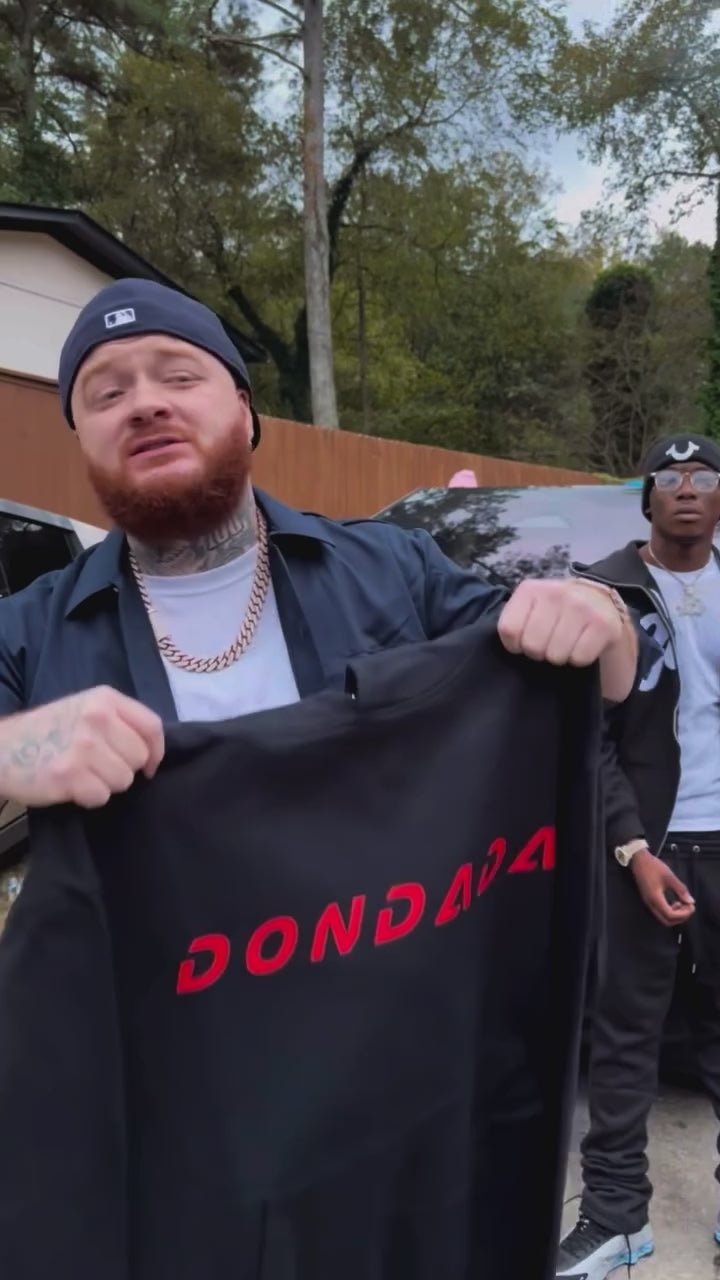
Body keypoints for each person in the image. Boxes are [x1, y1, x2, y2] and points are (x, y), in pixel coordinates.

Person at [0, 277, 641, 812]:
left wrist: (601, 617)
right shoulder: (24, 635)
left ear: (245, 412)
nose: (144, 404)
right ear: (83, 439)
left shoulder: (395, 570)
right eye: (108, 394)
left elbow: (602, 686)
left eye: (180, 377)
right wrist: (13, 753)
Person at [557, 432, 720, 1279]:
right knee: (624, 1040)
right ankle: (617, 1218)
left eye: (704, 476)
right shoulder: (604, 592)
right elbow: (591, 738)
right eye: (671, 477)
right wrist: (629, 847)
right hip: (643, 850)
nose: (687, 488)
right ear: (647, 496)